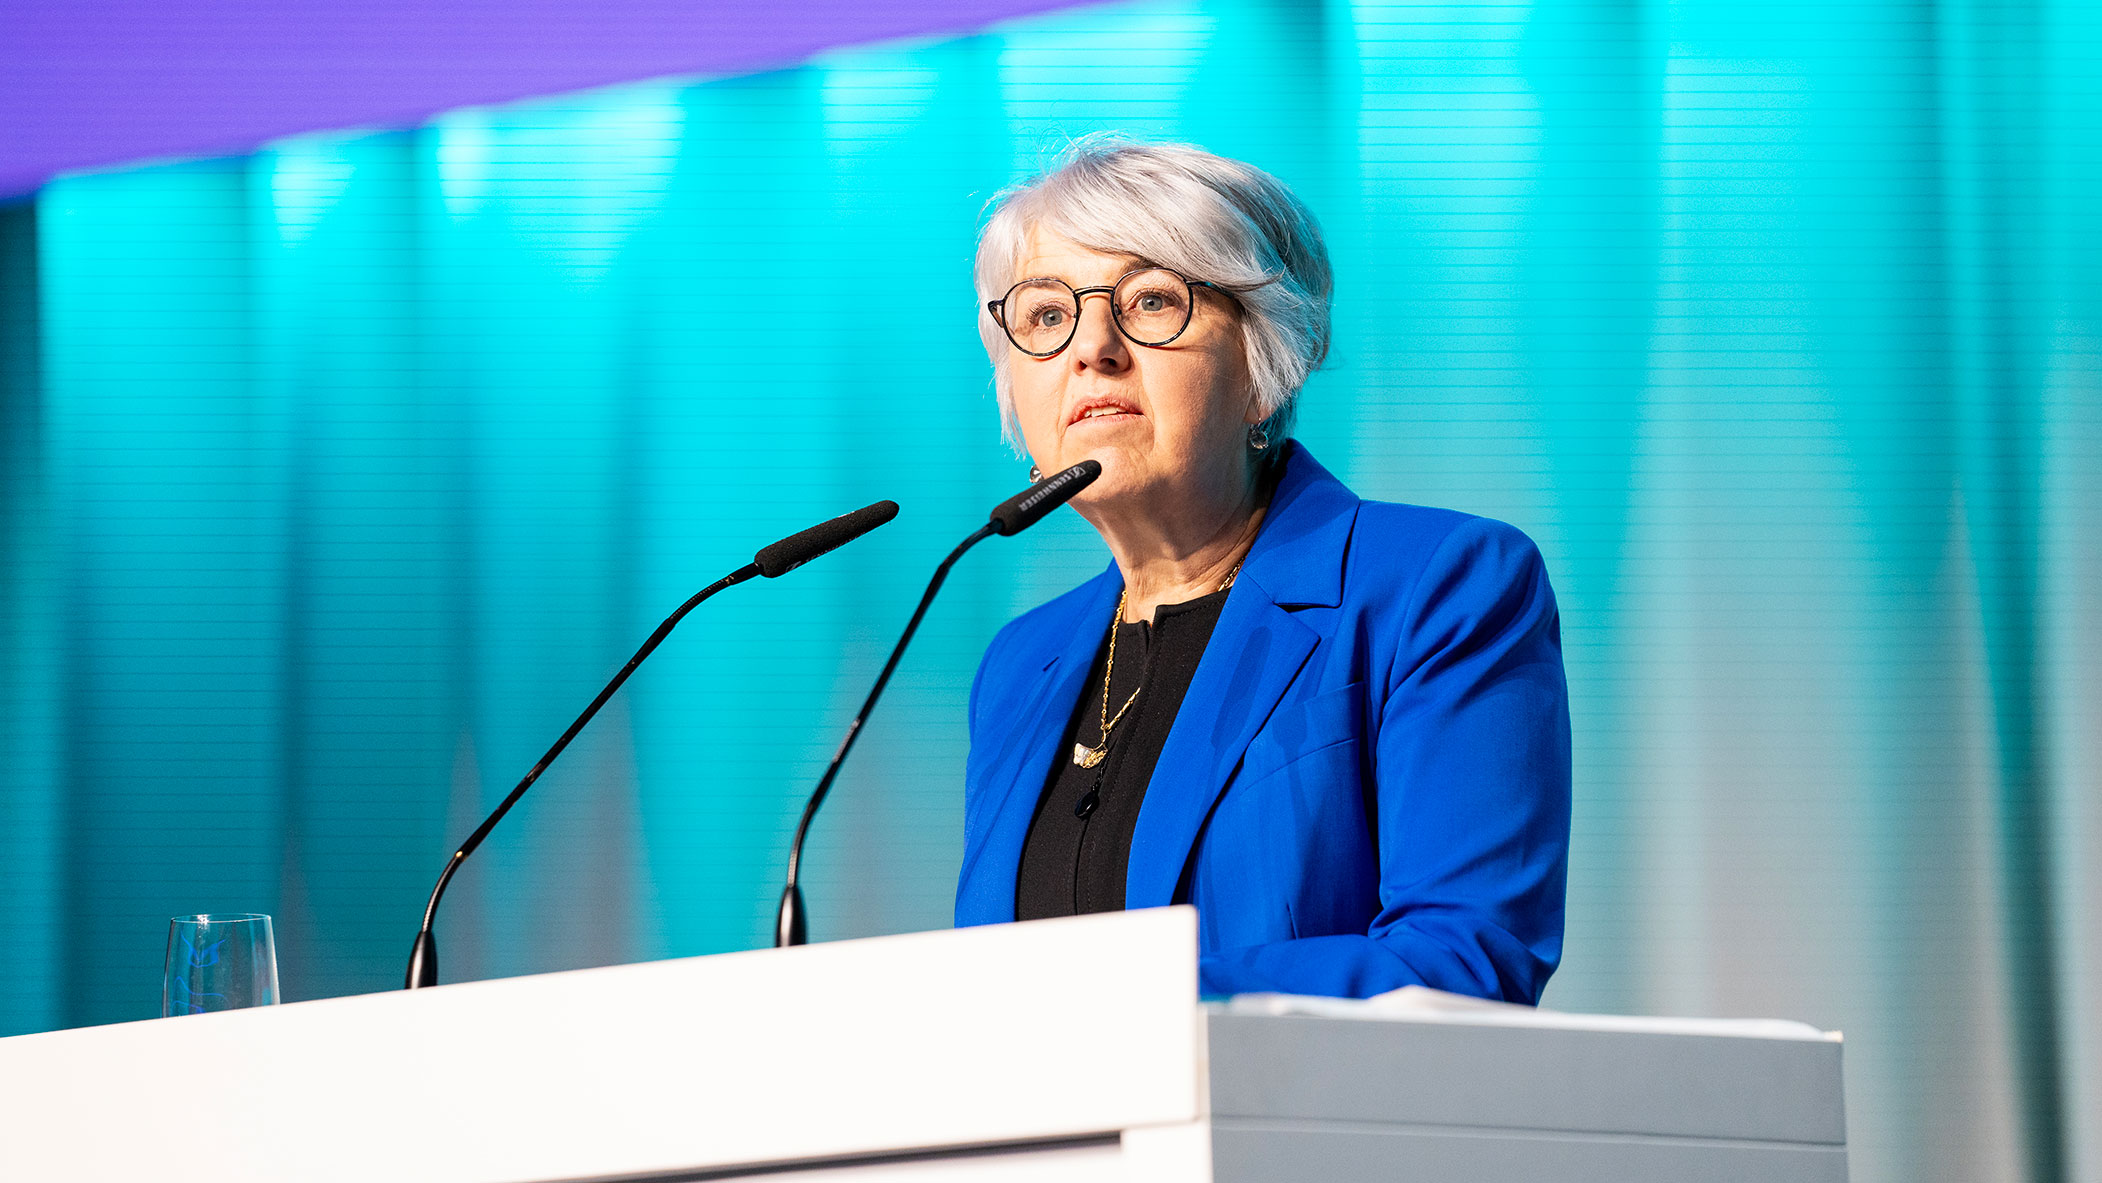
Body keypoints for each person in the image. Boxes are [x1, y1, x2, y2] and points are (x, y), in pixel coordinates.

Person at [954, 137, 1571, 1002]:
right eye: (1048, 315)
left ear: (1263, 368)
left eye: (1152, 299)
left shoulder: (1437, 588)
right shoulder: (1021, 663)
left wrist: (1121, 1003)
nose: (1093, 346)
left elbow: (1463, 958)